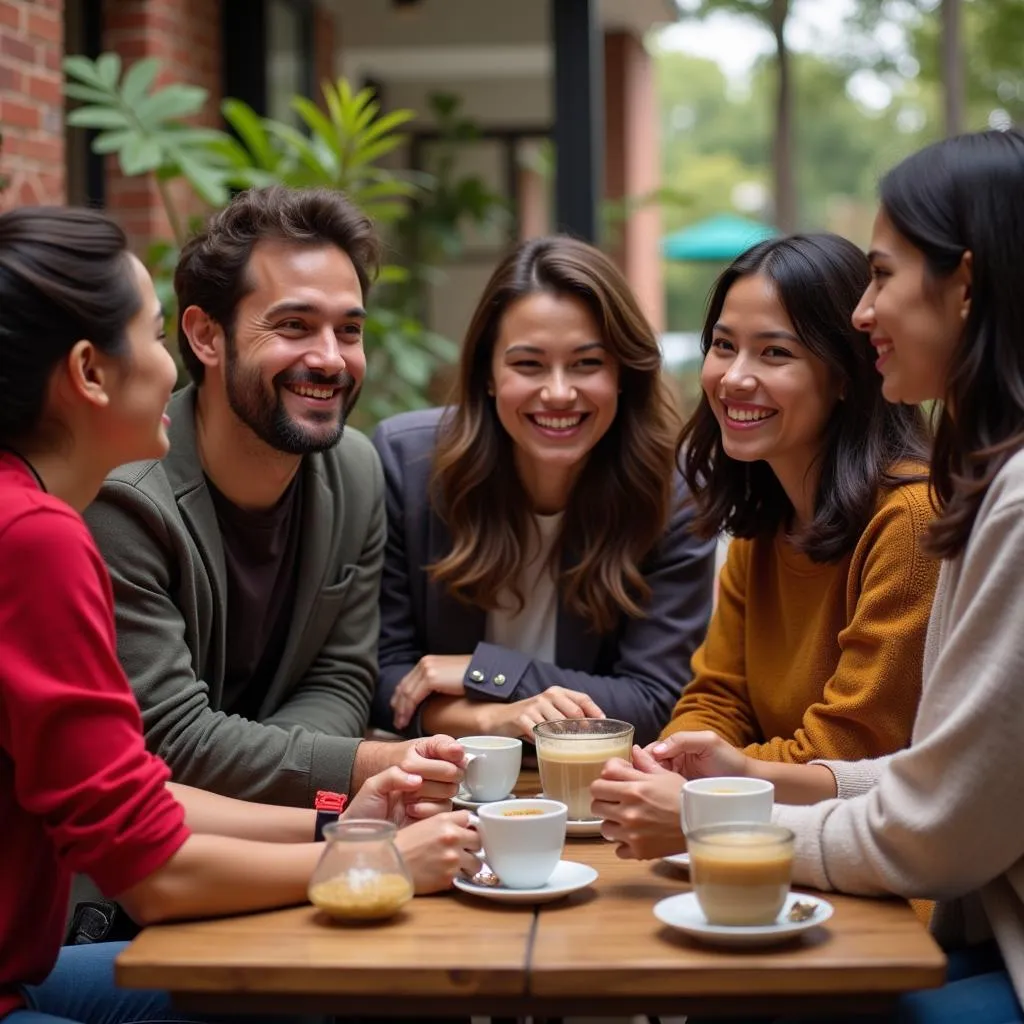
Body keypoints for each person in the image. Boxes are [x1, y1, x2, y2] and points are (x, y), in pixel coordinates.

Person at [0, 206, 481, 1024]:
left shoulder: (31, 514)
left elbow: (139, 800)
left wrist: (342, 818)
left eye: (349, 328)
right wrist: (378, 856)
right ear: (89, 371)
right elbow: (150, 867)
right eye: (153, 338)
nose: (167, 367)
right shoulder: (40, 535)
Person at [599, 129, 1024, 1023]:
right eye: (722, 344)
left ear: (968, 285)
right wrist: (707, 771)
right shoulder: (765, 513)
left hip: (924, 921)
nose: (870, 311)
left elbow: (925, 812)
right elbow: (912, 774)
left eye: (883, 274)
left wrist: (709, 812)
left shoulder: (948, 509)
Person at [84, 186, 452, 805]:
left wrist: (269, 780)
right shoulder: (125, 497)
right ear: (206, 336)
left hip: (282, 832)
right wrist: (359, 766)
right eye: (294, 326)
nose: (332, 359)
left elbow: (340, 677)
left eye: (350, 330)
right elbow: (166, 736)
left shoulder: (355, 470)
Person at [370, 236, 717, 747]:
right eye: (528, 365)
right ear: (488, 374)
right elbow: (383, 680)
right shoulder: (409, 464)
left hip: (596, 793)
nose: (558, 392)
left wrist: (488, 670)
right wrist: (492, 719)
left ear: (622, 373)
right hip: (442, 784)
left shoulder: (674, 491)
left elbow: (653, 703)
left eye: (586, 364)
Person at [655, 234, 936, 767]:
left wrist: (709, 778)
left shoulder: (910, 521)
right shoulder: (764, 522)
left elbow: (850, 750)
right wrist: (673, 758)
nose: (734, 378)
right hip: (763, 829)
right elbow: (716, 698)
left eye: (775, 352)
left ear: (848, 376)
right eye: (723, 345)